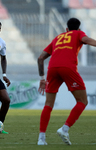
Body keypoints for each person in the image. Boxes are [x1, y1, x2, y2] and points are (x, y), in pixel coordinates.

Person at [37, 17, 96, 145]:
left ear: (66, 29)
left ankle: (41, 139)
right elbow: (86, 40)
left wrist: (42, 78)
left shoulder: (58, 37)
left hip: (52, 68)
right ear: (79, 29)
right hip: (68, 67)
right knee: (82, 101)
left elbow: (40, 58)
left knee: (48, 104)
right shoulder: (79, 33)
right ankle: (65, 129)